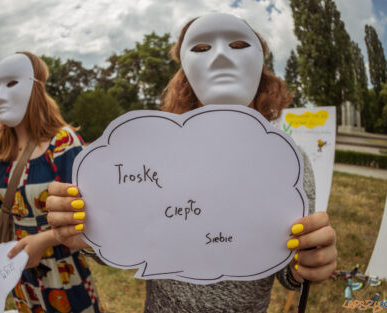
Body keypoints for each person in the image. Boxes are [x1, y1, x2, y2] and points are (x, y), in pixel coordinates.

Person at [46, 13, 337, 313]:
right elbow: (137, 238)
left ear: (261, 68)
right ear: (185, 70)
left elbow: (287, 270)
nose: (221, 57)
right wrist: (88, 232)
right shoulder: (154, 152)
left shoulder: (287, 160)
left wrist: (307, 263)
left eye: (238, 44)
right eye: (201, 48)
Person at [0, 52, 102, 313]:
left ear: (36, 87)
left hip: (65, 277)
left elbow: (93, 214)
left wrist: (44, 240)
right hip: (21, 281)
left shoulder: (63, 144)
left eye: (11, 83)